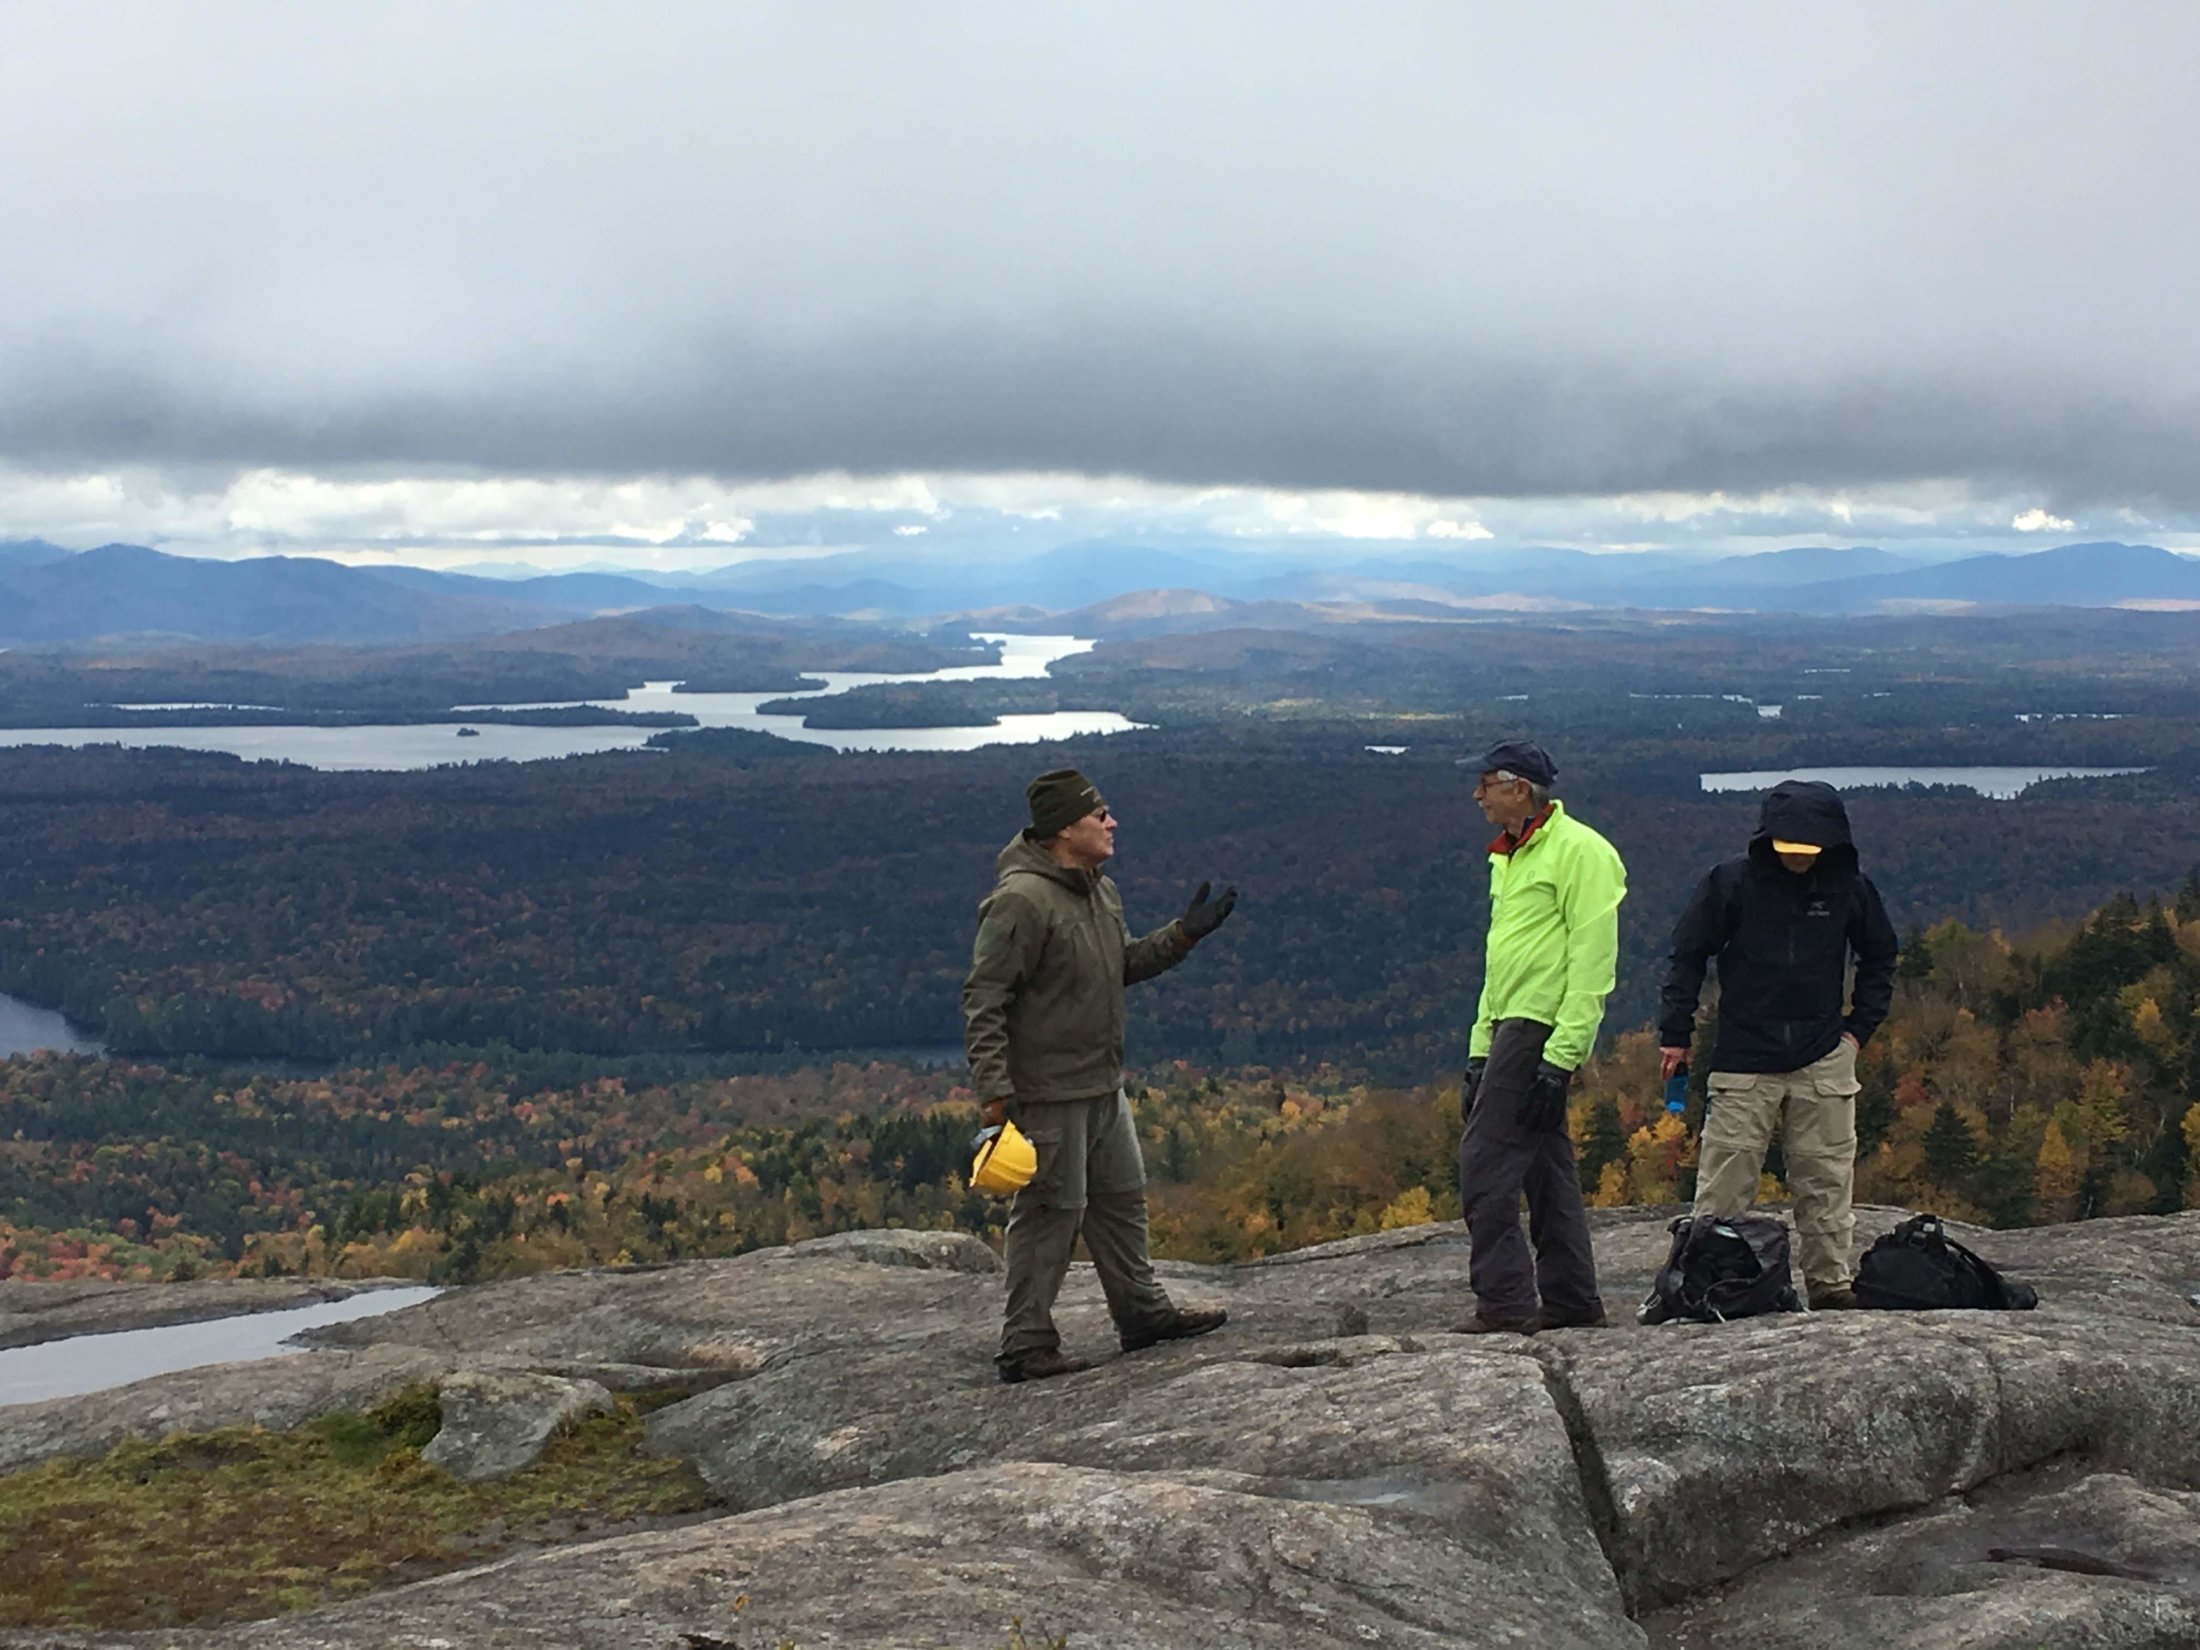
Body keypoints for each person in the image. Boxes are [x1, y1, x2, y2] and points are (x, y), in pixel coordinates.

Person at [963, 767, 1238, 1382]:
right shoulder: (1021, 901)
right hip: (1048, 1091)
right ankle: (1026, 1344)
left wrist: (1184, 936)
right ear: (1065, 828)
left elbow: (1121, 965)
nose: (1112, 824)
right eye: (1100, 815)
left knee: (1119, 1200)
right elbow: (985, 998)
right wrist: (995, 1095)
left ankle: (1141, 1315)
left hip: (1101, 1084)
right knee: (1051, 1213)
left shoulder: (1097, 890)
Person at [1658, 779, 1899, 1310]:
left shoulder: (1850, 889)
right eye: (1788, 846)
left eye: (1809, 848)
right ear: (1767, 839)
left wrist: (1857, 1031)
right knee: (1724, 1188)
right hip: (1745, 1058)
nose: (1798, 857)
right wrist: (1676, 1035)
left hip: (1824, 1056)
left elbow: (1881, 956)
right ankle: (1709, 1286)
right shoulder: (1731, 885)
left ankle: (1831, 1287)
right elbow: (1687, 955)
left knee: (1827, 1182)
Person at [1456, 739, 1627, 1334]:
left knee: (1483, 1166)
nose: (1476, 794)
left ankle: (1504, 1306)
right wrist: (1479, 1052)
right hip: (1512, 1024)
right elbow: (1500, 964)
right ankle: (1574, 1301)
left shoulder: (1582, 853)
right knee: (1546, 1170)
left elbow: (1593, 962)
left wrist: (1560, 1059)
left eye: (1486, 783)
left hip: (1539, 1027)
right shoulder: (1510, 855)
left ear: (1518, 787)